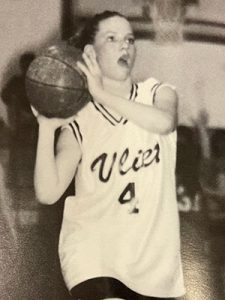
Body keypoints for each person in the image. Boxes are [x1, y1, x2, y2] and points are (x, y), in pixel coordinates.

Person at [33, 10, 185, 300]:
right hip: (94, 255)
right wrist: (46, 129)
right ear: (90, 52)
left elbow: (164, 123)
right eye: (112, 38)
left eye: (129, 39)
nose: (125, 46)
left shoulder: (158, 93)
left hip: (153, 261)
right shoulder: (80, 118)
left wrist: (102, 94)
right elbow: (48, 192)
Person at [193, 109, 225, 221]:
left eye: (211, 210)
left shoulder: (207, 184)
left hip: (216, 137)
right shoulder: (210, 186)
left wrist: (202, 129)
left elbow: (206, 153)